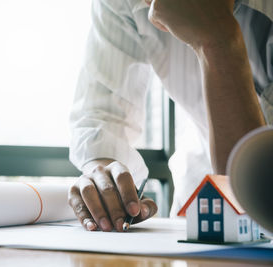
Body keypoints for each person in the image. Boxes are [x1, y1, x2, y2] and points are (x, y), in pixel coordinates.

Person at [68, 0, 273, 232]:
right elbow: (102, 115)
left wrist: (219, 40)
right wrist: (104, 176)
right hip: (192, 212)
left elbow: (260, 196)